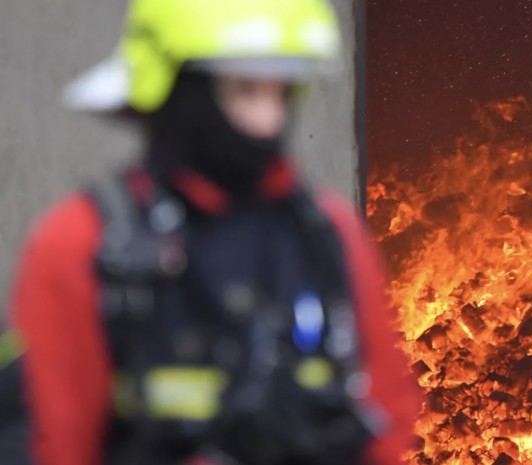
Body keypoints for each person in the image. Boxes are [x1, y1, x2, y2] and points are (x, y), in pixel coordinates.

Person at [0, 0, 422, 464]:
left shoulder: (325, 236)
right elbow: (52, 443)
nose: (269, 120)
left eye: (280, 92)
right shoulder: (81, 244)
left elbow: (385, 416)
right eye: (244, 90)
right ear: (180, 89)